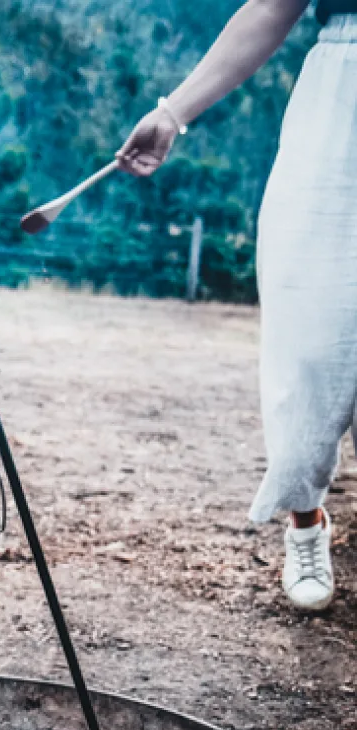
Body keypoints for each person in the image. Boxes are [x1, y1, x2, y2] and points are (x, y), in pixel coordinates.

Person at [117, 0, 357, 612]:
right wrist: (173, 111)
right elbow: (273, 7)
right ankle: (305, 524)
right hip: (337, 105)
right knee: (309, 339)